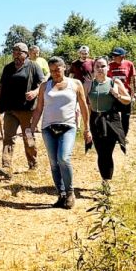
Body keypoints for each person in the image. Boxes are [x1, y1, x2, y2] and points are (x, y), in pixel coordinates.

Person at [31, 57, 92, 209]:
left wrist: (87, 128)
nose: (55, 73)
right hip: (48, 128)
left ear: (64, 67)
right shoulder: (45, 86)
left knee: (63, 158)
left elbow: (83, 106)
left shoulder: (75, 84)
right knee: (53, 163)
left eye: (57, 70)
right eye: (51, 71)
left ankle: (70, 193)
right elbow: (39, 108)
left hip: (68, 126)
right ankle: (61, 194)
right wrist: (31, 128)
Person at [0, 42, 44, 179]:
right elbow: (1, 87)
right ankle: (6, 166)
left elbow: (43, 84)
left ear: (26, 54)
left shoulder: (33, 66)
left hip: (27, 110)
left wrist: (35, 92)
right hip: (10, 110)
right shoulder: (8, 68)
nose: (16, 55)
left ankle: (33, 163)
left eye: (19, 53)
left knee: (28, 137)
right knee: (8, 138)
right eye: (14, 52)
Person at [88, 56, 130, 186]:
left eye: (103, 66)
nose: (100, 69)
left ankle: (106, 181)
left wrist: (117, 95)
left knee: (107, 152)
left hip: (111, 119)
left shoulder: (114, 82)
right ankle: (105, 179)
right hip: (96, 120)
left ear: (108, 68)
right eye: (97, 66)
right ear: (93, 69)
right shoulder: (89, 84)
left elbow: (128, 99)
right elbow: (86, 104)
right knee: (101, 152)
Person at [107, 47, 136, 137]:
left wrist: (135, 92)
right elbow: (106, 79)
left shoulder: (129, 64)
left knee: (125, 117)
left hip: (125, 95)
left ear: (122, 56)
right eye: (113, 55)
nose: (114, 57)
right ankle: (115, 135)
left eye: (116, 55)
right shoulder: (110, 65)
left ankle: (123, 136)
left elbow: (133, 79)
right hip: (113, 95)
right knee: (113, 116)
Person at [69, 45, 94, 129]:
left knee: (89, 105)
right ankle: (78, 126)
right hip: (77, 86)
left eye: (86, 53)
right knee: (77, 106)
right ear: (79, 53)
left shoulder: (92, 62)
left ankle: (89, 123)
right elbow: (71, 75)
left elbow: (93, 74)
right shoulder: (74, 63)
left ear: (88, 53)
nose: (84, 55)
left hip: (89, 86)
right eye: (82, 53)